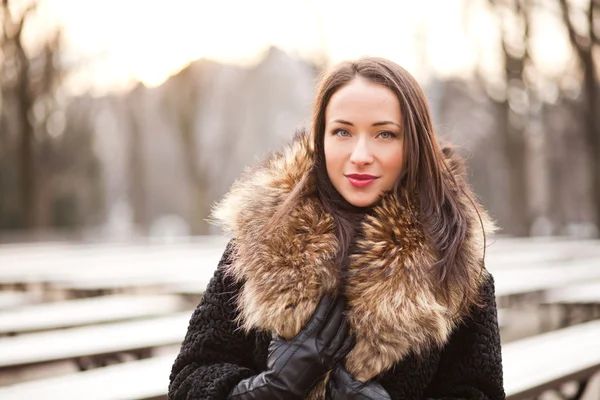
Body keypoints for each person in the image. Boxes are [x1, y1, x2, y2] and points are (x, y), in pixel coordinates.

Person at [169, 57, 504, 400]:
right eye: (343, 131)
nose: (360, 154)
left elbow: (479, 392)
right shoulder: (261, 240)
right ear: (321, 138)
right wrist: (267, 390)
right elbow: (191, 376)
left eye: (384, 134)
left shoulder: (455, 259)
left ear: (412, 145)